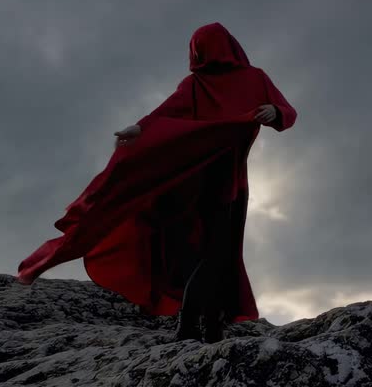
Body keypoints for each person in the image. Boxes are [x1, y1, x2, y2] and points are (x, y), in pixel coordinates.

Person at [17, 22, 297, 344]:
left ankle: (207, 324)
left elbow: (287, 111)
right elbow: (166, 113)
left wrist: (274, 110)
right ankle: (194, 325)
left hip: (224, 180)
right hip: (196, 183)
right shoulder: (196, 85)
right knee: (214, 254)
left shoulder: (252, 79)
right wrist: (139, 128)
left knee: (217, 254)